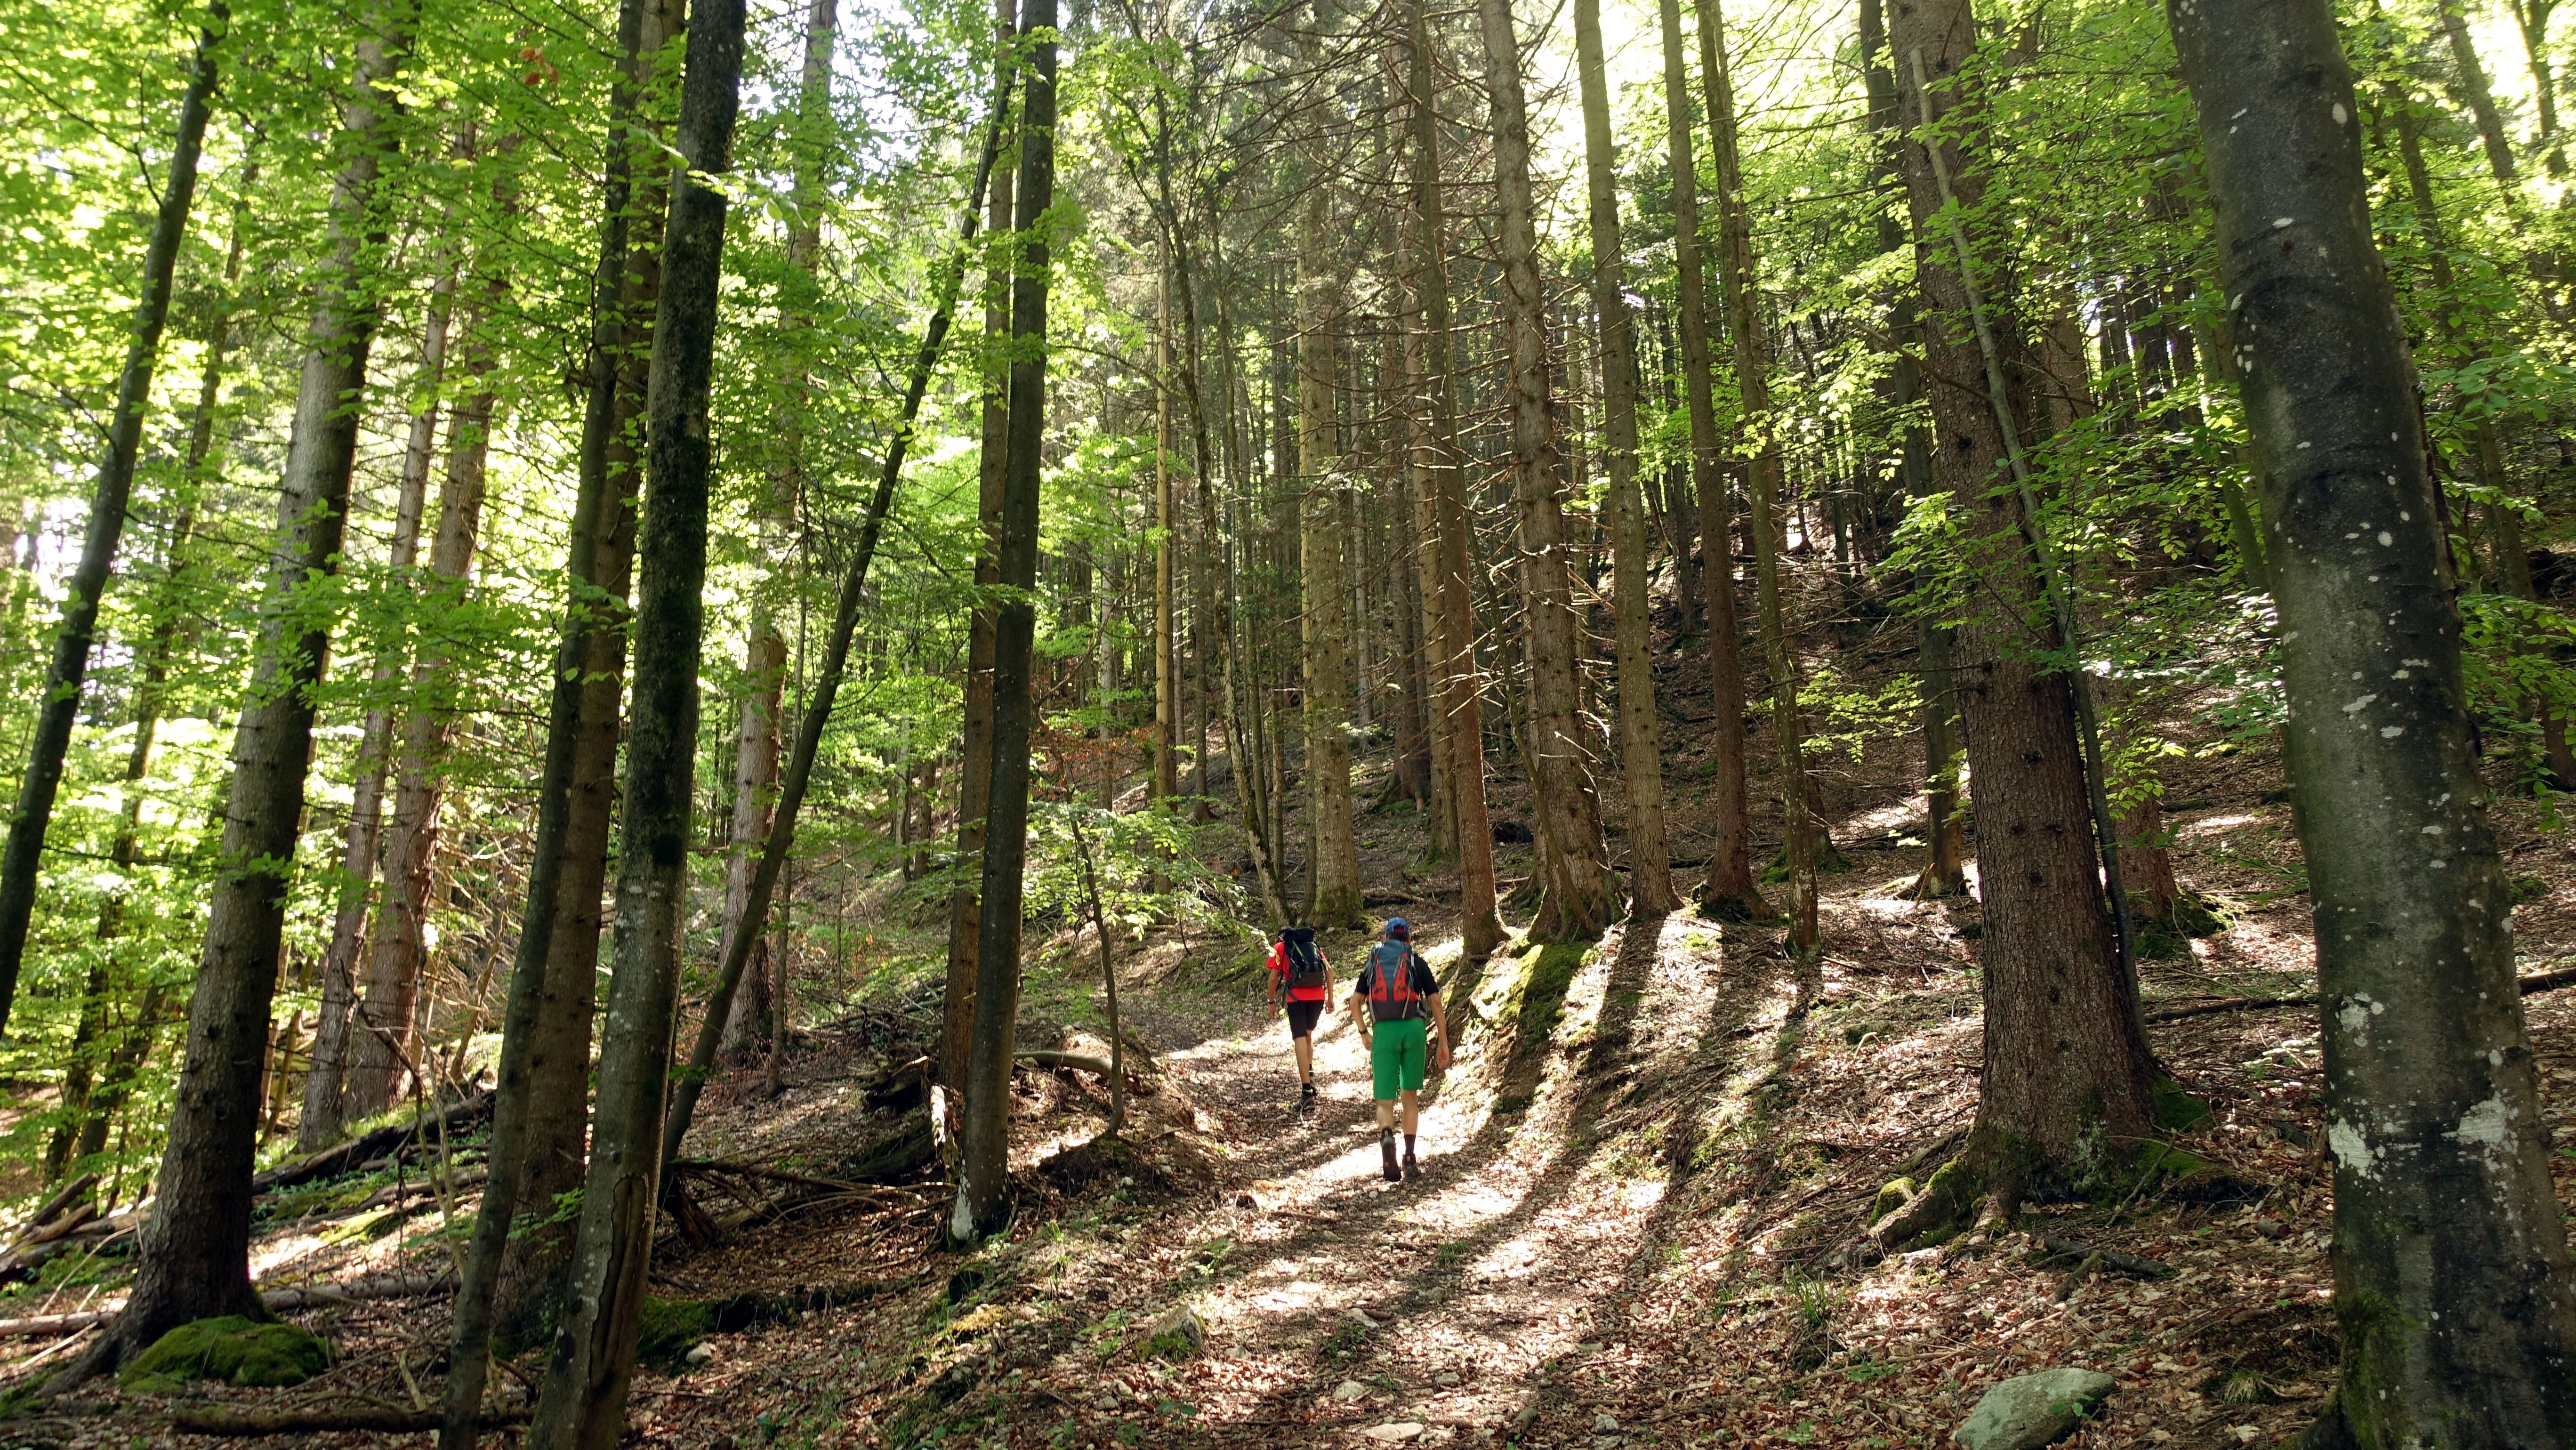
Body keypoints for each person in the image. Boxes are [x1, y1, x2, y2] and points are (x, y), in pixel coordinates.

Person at [1347, 917, 1449, 1182]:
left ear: (1386, 938)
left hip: (1384, 1031)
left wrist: (1364, 1033)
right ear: (1409, 940)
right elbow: (1436, 1003)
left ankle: (1386, 1137)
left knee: (1384, 1100)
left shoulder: (1374, 962)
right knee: (1409, 1096)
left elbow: (1355, 1002)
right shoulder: (1417, 962)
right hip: (1414, 1030)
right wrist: (1443, 1042)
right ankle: (1410, 1158)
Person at [1264, 924, 1330, 1106]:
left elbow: (1273, 978)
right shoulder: (1311, 944)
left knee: (1300, 1038)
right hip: (1318, 996)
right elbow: (1329, 970)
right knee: (1308, 1035)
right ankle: (1310, 1073)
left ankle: (1307, 1091)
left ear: (1281, 937)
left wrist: (1271, 1003)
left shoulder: (1280, 947)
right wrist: (1330, 998)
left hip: (1296, 998)